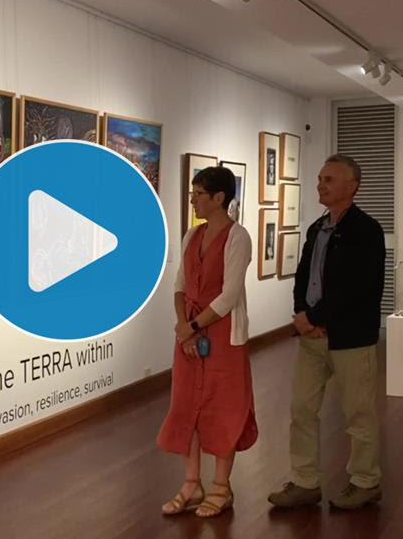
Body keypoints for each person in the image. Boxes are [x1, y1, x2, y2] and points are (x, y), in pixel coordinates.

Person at [268, 154, 386, 510]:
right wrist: (301, 314)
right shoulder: (317, 228)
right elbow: (304, 276)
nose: (321, 184)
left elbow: (357, 287)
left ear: (353, 186)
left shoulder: (367, 230)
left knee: (358, 413)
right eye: (320, 178)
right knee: (301, 408)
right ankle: (305, 481)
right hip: (312, 338)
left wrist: (315, 317)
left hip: (350, 338)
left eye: (330, 179)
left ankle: (366, 481)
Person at [158, 166, 258, 518]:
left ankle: (221, 486)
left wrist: (193, 326)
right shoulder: (191, 236)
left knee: (223, 406)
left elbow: (229, 295)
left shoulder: (238, 237)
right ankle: (191, 483)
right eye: (192, 193)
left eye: (199, 194)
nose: (193, 199)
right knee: (186, 404)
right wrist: (182, 324)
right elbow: (179, 285)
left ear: (219, 198)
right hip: (190, 333)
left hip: (221, 333)